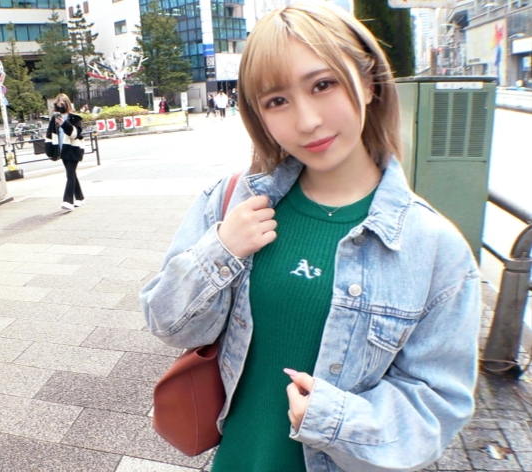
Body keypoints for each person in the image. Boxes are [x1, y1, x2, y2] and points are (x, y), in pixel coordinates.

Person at [140, 2, 481, 472]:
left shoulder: (433, 247)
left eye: (323, 85)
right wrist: (222, 250)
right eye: (276, 101)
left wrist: (334, 420)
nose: (307, 121)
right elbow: (167, 324)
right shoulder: (232, 201)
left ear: (368, 82)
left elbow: (438, 407)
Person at [44, 93, 85, 211]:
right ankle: (80, 198)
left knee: (70, 175)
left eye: (62, 103)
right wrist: (49, 150)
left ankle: (68, 201)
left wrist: (64, 124)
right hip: (62, 151)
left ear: (66, 104)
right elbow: (49, 134)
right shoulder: (54, 119)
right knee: (72, 174)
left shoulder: (75, 118)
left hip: (74, 150)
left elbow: (75, 134)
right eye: (58, 103)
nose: (59, 105)